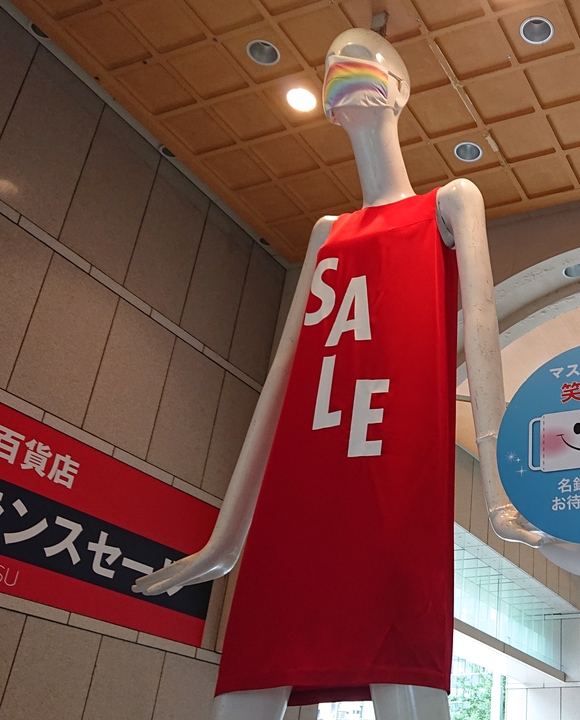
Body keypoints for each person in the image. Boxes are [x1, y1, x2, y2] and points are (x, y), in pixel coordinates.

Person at [132, 27, 541, 720]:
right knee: (254, 673)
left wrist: (500, 491)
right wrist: (226, 540)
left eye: (368, 60)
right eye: (331, 63)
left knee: (400, 661)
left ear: (402, 90)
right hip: (302, 489)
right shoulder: (327, 231)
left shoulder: (449, 203)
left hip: (393, 479)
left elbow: (481, 334)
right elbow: (282, 377)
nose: (344, 68)